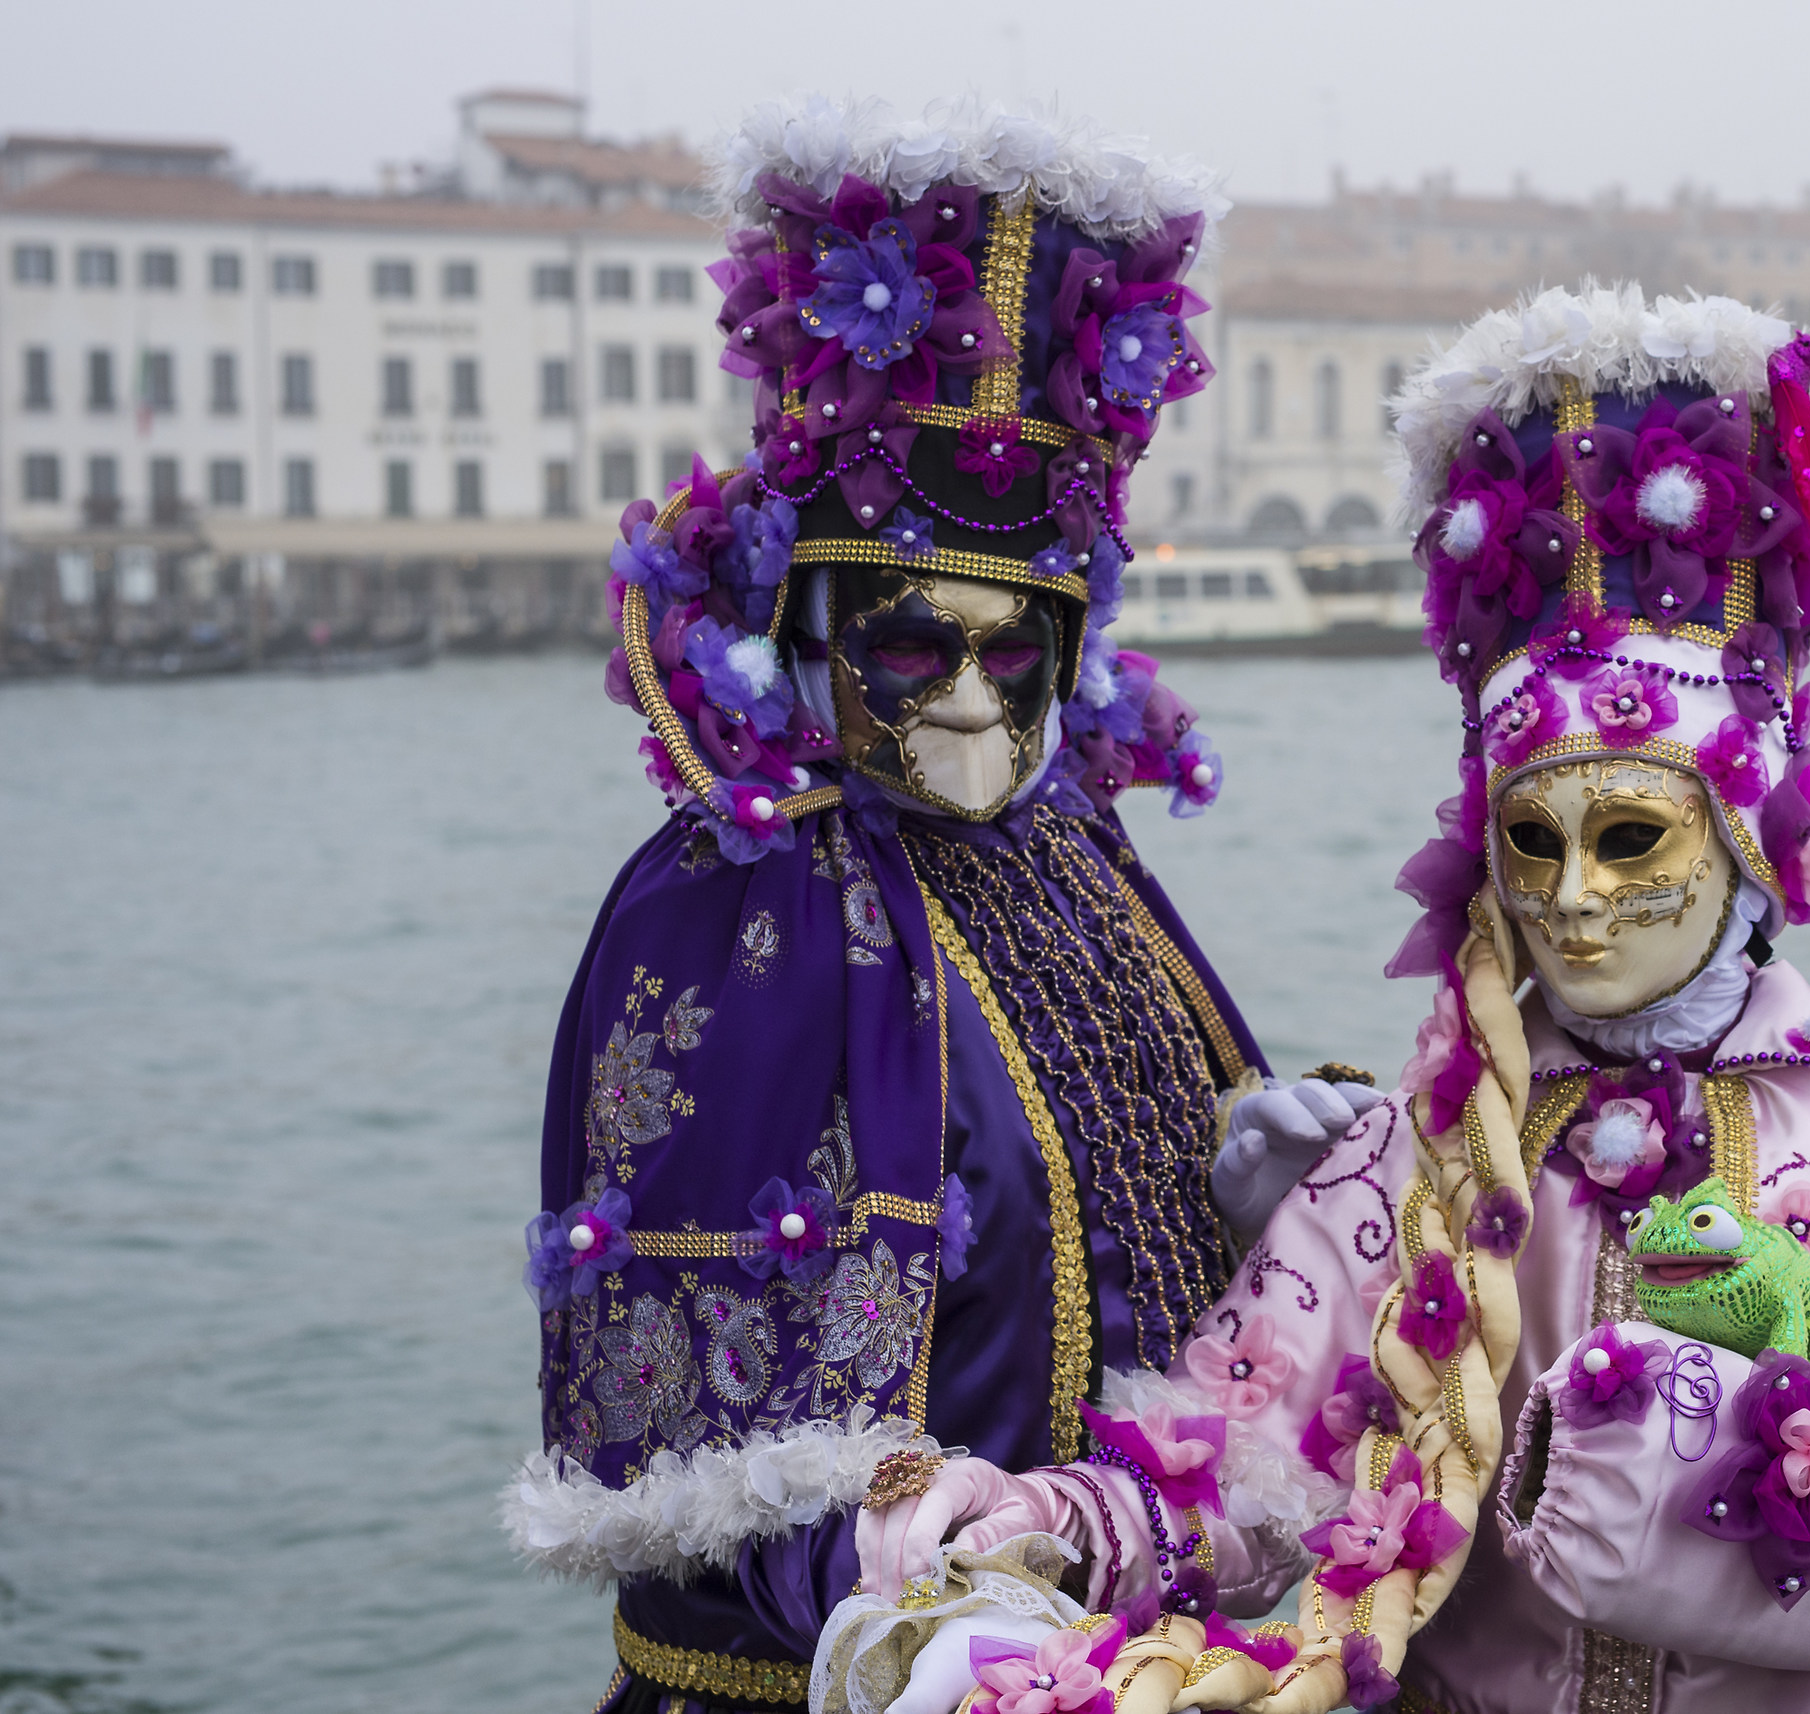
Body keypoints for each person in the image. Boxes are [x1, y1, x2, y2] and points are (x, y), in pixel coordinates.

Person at [843, 285, 1810, 1714]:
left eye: (1632, 837)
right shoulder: (1412, 1166)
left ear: (1748, 843)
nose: (1573, 896)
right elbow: (1236, 1461)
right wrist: (1049, 1521)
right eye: (1532, 842)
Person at [499, 96, 1374, 1712]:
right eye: (912, 642)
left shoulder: (1076, 857)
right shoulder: (740, 907)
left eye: (1015, 647)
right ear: (811, 629)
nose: (972, 697)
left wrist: (1272, 1202)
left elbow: (1120, 1260)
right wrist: (909, 1583)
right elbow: (686, 1454)